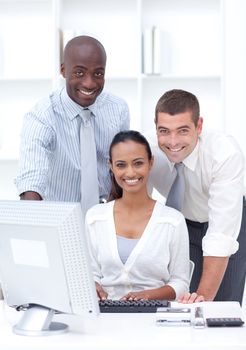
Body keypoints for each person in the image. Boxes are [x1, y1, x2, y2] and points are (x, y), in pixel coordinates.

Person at [148, 89, 246, 303]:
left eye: (182, 130)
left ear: (198, 126)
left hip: (228, 223)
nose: (173, 142)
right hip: (184, 223)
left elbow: (221, 234)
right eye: (164, 131)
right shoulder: (148, 154)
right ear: (155, 127)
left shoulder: (224, 154)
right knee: (180, 298)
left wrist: (203, 298)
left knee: (220, 305)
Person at [15, 36, 130, 207]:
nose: (89, 83)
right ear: (63, 70)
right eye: (79, 72)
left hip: (108, 213)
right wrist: (37, 224)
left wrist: (113, 212)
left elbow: (121, 166)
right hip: (59, 216)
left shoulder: (118, 109)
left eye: (98, 73)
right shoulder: (42, 115)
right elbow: (31, 180)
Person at [85, 130, 190, 301]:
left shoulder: (173, 221)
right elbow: (91, 274)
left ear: (151, 162)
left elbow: (180, 283)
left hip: (154, 316)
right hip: (105, 316)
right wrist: (93, 285)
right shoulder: (95, 217)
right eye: (121, 165)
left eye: (138, 163)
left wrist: (148, 296)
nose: (131, 173)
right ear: (110, 166)